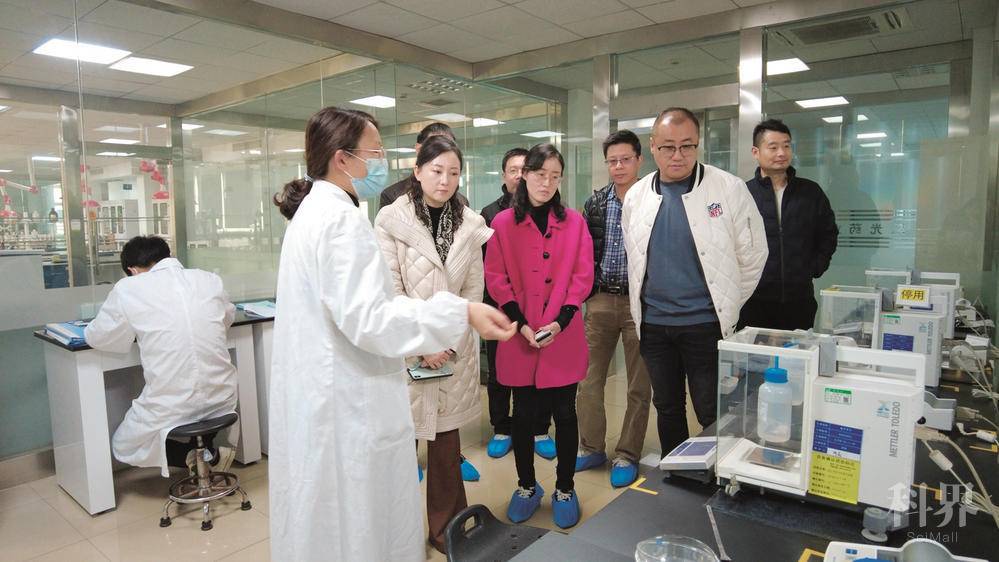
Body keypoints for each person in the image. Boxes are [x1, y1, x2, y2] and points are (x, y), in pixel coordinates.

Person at [268, 107, 516, 562]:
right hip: (346, 396)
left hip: (326, 391)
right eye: (375, 152)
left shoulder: (316, 213)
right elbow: (373, 319)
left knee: (333, 515)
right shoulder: (340, 221)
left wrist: (456, 313)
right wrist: (460, 312)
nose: (382, 162)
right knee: (358, 518)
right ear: (343, 159)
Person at [621, 108, 767, 457]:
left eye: (687, 146)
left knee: (711, 410)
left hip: (705, 324)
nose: (678, 155)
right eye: (668, 147)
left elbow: (753, 256)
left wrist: (725, 303)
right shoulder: (637, 196)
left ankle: (715, 475)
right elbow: (634, 257)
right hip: (655, 325)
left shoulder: (728, 188)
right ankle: (676, 473)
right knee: (667, 406)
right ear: (652, 147)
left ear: (698, 145)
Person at [374, 137, 493, 554]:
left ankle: (446, 529)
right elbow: (389, 291)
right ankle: (395, 533)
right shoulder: (391, 220)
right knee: (399, 448)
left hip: (452, 351)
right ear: (418, 171)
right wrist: (424, 342)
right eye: (437, 170)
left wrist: (448, 342)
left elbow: (473, 293)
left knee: (445, 449)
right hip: (407, 349)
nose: (445, 180)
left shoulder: (470, 224)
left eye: (453, 172)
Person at [485, 143, 594, 529]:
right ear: (524, 175)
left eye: (555, 176)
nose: (547, 183)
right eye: (540, 174)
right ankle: (527, 486)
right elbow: (496, 278)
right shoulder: (502, 224)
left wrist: (560, 322)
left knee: (565, 412)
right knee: (524, 414)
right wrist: (522, 324)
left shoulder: (575, 222)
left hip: (562, 335)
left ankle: (565, 487)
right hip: (520, 335)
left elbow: (582, 276)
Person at [84, 235, 237, 477]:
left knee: (123, 445)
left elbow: (98, 337)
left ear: (133, 270)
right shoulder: (208, 280)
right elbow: (227, 318)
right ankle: (207, 453)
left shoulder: (129, 288)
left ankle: (193, 457)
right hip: (223, 398)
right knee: (202, 409)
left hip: (173, 405)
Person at [575, 130, 652, 488]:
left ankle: (627, 453)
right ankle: (591, 447)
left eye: (625, 160)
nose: (618, 166)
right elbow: (583, 252)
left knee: (639, 384)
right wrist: (587, 294)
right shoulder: (595, 203)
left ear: (639, 160)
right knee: (588, 380)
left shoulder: (654, 200)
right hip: (602, 299)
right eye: (612, 161)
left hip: (640, 303)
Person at [481, 147, 556, 461]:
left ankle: (539, 429)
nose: (519, 176)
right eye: (513, 170)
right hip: (499, 307)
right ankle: (502, 427)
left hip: (538, 308)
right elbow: (487, 267)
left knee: (539, 369)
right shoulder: (489, 215)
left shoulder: (551, 214)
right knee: (499, 371)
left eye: (525, 169)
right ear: (506, 175)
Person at [740, 119, 839, 330]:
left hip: (799, 300)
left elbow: (828, 234)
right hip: (754, 301)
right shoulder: (743, 194)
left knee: (797, 350)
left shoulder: (810, 192)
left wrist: (815, 267)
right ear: (756, 152)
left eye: (786, 146)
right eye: (773, 147)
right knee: (756, 351)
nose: (781, 153)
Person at [379, 121, 467, 208]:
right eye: (435, 148)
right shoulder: (393, 197)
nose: (443, 153)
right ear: (418, 149)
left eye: (448, 146)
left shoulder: (462, 203)